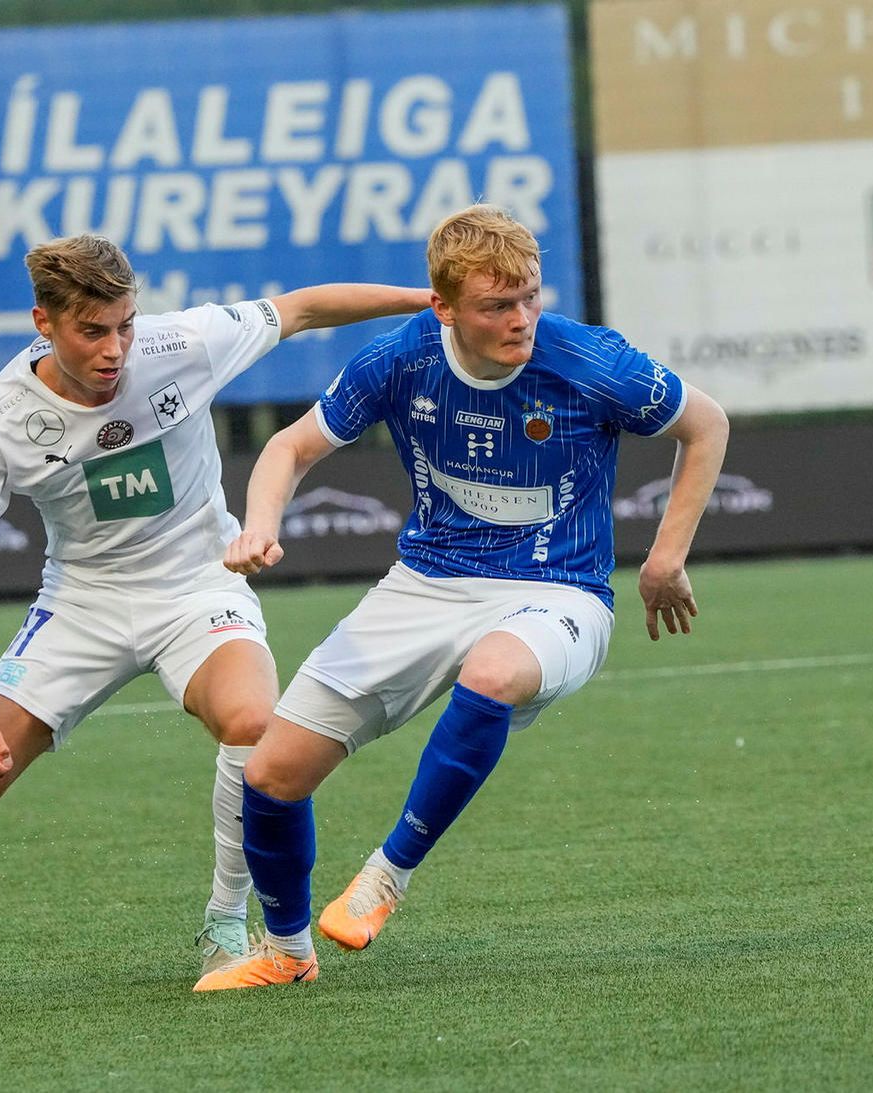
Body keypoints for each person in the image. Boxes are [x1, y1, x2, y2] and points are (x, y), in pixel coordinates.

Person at [0, 234, 431, 1010]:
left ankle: (226, 922)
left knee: (252, 721)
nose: (115, 348)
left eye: (124, 324)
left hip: (197, 587)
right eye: (92, 330)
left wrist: (428, 301)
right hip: (80, 605)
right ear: (45, 323)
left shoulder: (180, 343)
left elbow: (301, 309)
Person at [194, 205, 729, 991]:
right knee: (270, 773)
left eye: (530, 299)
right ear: (443, 307)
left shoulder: (588, 360)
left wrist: (665, 558)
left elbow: (706, 424)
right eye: (496, 306)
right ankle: (287, 952)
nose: (521, 321)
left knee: (493, 671)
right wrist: (261, 524)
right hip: (426, 583)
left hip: (559, 590)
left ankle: (385, 876)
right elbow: (289, 446)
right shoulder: (403, 358)